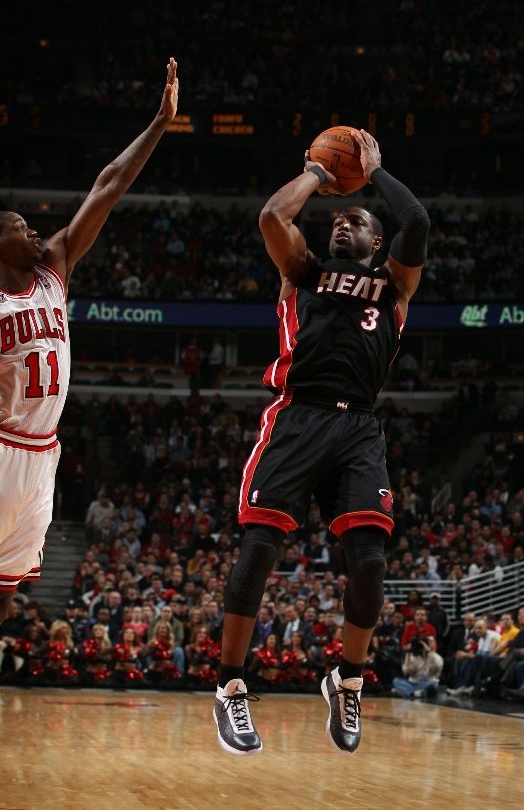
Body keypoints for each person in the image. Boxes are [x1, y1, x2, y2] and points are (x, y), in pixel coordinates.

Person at [213, 129, 430, 755]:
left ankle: (348, 677)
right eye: (336, 219)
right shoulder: (301, 271)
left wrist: (371, 171)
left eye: (356, 220)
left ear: (376, 241)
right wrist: (315, 170)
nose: (342, 223)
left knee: (369, 563)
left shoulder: (396, 286)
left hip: (359, 427)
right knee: (260, 548)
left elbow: (415, 216)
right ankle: (230, 687)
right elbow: (272, 215)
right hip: (298, 416)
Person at [0, 58, 179, 620]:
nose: (33, 229)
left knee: (6, 591)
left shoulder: (53, 268)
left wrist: (159, 123)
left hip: (44, 452)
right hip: (3, 444)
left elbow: (107, 185)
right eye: (17, 226)